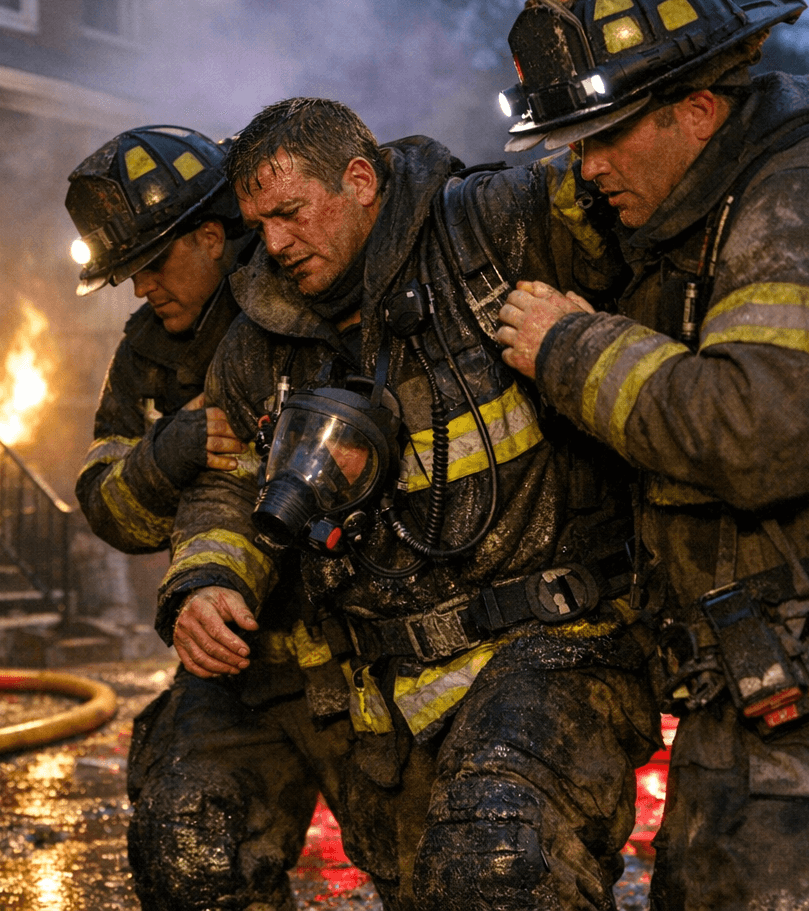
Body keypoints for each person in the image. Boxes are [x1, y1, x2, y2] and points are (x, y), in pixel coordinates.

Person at [167, 97, 658, 911]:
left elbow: (632, 184)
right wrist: (206, 582)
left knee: (494, 859)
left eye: (291, 211)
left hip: (557, 642)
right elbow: (228, 484)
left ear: (361, 180)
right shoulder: (258, 345)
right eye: (261, 223)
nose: (276, 243)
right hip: (393, 696)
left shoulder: (493, 229)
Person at [492, 0, 809, 910]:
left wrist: (569, 348)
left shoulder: (798, 195)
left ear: (696, 107)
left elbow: (761, 427)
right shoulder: (699, 215)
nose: (586, 168)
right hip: (761, 692)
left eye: (604, 136)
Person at [67, 125, 342, 911]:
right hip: (237, 647)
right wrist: (165, 453)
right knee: (188, 851)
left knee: (460, 864)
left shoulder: (313, 293)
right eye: (127, 274)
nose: (141, 289)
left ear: (213, 236)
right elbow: (105, 502)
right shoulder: (147, 355)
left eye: (152, 264)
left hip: (368, 642)